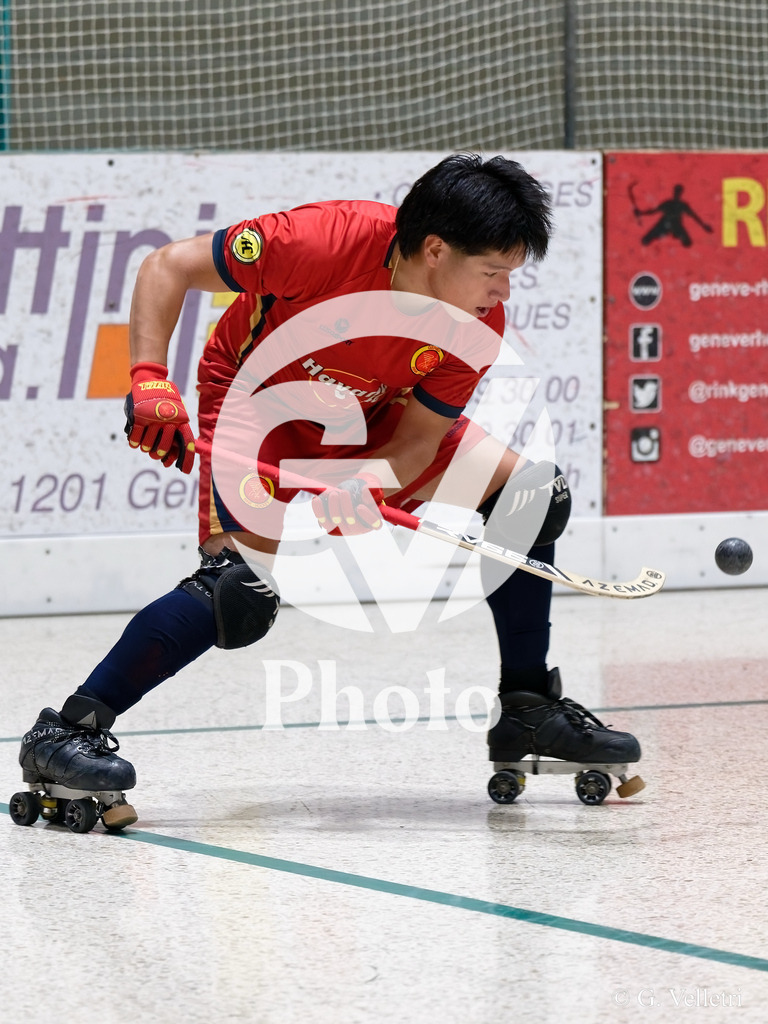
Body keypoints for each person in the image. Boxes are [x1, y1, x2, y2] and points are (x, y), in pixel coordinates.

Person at [18, 154, 640, 824]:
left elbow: (418, 444)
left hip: (378, 415)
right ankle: (65, 731)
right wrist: (148, 380)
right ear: (436, 249)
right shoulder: (321, 242)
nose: (503, 294)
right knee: (238, 591)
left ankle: (528, 710)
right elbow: (168, 265)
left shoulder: (475, 325)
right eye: (493, 272)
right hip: (259, 403)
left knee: (528, 496)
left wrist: (366, 484)